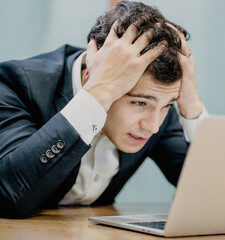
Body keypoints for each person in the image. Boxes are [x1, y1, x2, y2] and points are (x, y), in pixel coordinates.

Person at [0, 1, 208, 218]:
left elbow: (210, 194)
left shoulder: (157, 107)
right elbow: (8, 196)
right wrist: (95, 95)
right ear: (92, 77)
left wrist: (192, 106)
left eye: (167, 105)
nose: (154, 126)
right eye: (139, 103)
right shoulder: (15, 85)